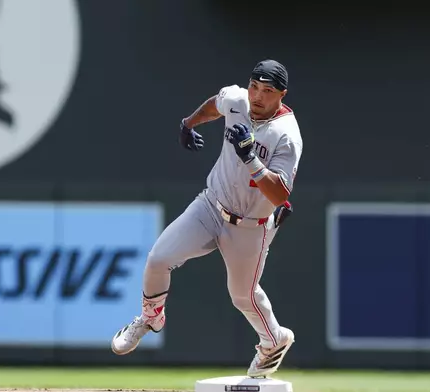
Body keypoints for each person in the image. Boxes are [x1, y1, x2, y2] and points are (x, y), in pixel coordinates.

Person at [111, 59, 303, 378]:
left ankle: (274, 341)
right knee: (158, 258)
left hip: (250, 226)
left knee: (243, 296)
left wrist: (251, 159)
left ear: (281, 94)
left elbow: (281, 194)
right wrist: (189, 124)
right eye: (254, 86)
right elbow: (216, 104)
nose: (256, 96)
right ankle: (151, 317)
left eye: (267, 91)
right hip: (211, 206)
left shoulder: (287, 135)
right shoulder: (238, 99)